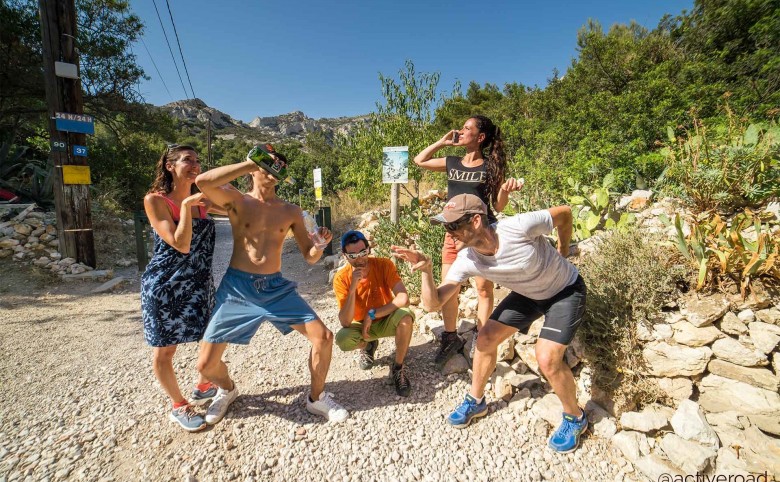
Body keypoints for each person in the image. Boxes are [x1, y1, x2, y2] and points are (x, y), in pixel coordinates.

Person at [392, 194, 588, 453]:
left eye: (453, 226)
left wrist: (563, 249)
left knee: (548, 358)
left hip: (565, 291)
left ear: (475, 221)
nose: (449, 235)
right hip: (529, 294)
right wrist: (427, 271)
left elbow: (563, 212)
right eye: (445, 228)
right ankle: (476, 401)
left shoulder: (518, 227)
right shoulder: (467, 259)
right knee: (484, 339)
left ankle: (575, 417)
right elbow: (433, 303)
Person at [194, 144, 348, 425]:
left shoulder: (290, 211)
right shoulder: (237, 201)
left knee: (323, 338)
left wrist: (320, 246)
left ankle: (316, 398)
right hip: (237, 289)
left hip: (275, 288)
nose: (275, 166)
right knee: (205, 365)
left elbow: (310, 257)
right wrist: (250, 163)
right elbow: (202, 181)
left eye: (280, 164)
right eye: (270, 161)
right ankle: (227, 390)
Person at [413, 115, 523, 368]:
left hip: (479, 237)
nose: (460, 132)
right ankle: (450, 337)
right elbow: (420, 160)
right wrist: (442, 142)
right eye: (461, 128)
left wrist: (505, 191)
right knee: (448, 288)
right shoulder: (452, 162)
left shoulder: (490, 167)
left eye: (466, 128)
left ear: (480, 137)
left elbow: (497, 206)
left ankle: (481, 338)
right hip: (452, 234)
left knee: (483, 290)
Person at [141, 144, 225, 432]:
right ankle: (179, 406)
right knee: (165, 350)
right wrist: (188, 206)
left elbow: (244, 210)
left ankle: (204, 386)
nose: (195, 165)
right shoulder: (156, 200)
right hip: (165, 285)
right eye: (188, 160)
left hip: (200, 283)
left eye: (197, 161)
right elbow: (180, 242)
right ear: (169, 166)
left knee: (209, 337)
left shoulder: (203, 200)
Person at [333, 230, 414, 397]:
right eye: (353, 255)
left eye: (363, 252)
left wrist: (373, 314)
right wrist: (353, 287)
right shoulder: (341, 278)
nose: (360, 259)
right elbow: (345, 322)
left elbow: (403, 298)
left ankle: (398, 368)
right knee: (343, 339)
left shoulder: (383, 265)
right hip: (360, 325)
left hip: (383, 318)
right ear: (345, 256)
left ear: (369, 249)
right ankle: (367, 345)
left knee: (406, 317)